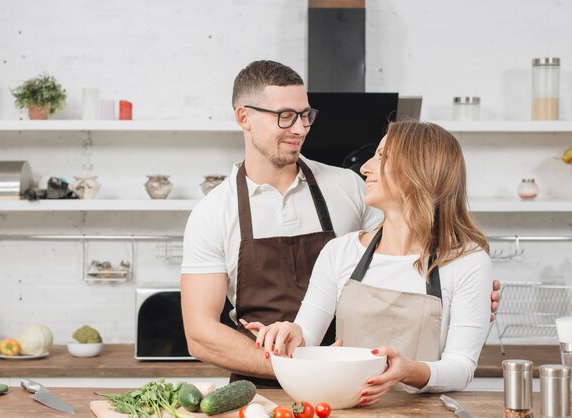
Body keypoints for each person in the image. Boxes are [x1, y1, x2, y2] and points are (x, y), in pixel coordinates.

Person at [180, 60, 499, 388]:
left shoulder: (348, 187)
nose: (300, 128)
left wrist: (469, 293)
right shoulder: (213, 213)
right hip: (267, 385)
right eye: (285, 116)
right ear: (244, 117)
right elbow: (201, 335)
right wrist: (301, 361)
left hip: (352, 386)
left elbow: (412, 239)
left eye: (306, 115)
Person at [247, 121, 493, 405]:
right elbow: (308, 337)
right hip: (348, 410)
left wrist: (407, 371)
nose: (365, 167)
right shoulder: (340, 252)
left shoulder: (468, 262)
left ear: (420, 170)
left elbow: (461, 367)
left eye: (382, 157)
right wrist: (291, 335)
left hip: (425, 412)